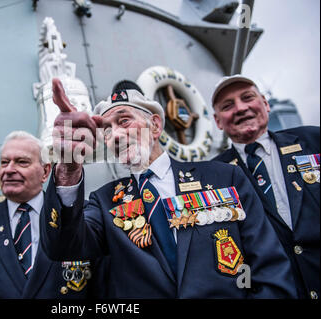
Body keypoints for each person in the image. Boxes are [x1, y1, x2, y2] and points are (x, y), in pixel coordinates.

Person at [39, 78, 297, 298]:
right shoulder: (105, 201)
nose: (114, 136)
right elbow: (63, 247)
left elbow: (269, 267)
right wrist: (68, 167)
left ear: (155, 125)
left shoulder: (225, 177)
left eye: (124, 120)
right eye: (106, 130)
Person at [211, 74, 320, 299]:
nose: (240, 108)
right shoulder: (212, 175)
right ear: (218, 121)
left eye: (247, 97)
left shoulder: (313, 140)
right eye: (228, 105)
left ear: (266, 104)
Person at [0, 131, 97, 299]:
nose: (9, 170)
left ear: (45, 172)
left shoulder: (80, 218)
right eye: (4, 162)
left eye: (22, 162)